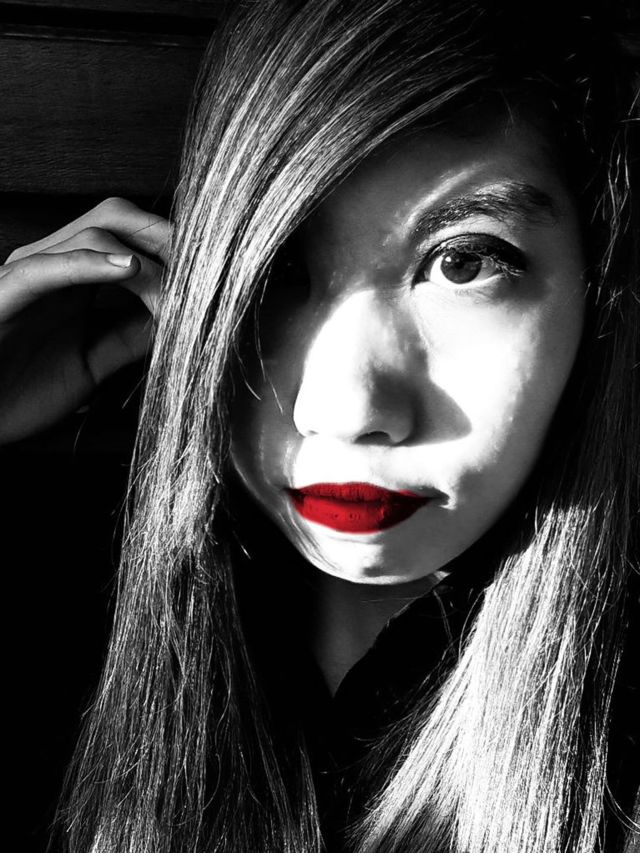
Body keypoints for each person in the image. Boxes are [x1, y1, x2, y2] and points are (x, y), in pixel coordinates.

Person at [2, 0, 638, 851]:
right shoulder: (41, 632)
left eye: (463, 262)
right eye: (280, 265)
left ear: (598, 289)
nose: (345, 409)